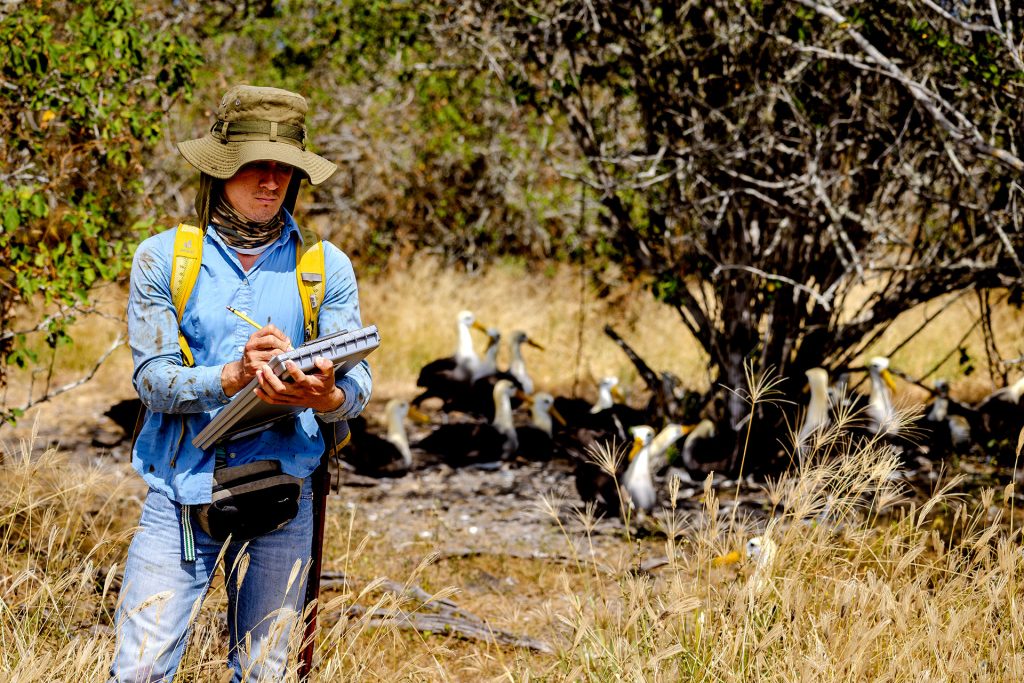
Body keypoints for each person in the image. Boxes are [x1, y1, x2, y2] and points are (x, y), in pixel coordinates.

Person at [110, 85, 372, 682]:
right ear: (222, 169)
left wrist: (323, 394)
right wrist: (232, 377)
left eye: (284, 169)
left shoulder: (324, 268)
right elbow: (151, 381)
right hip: (180, 495)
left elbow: (356, 388)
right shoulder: (164, 259)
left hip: (286, 493)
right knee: (140, 669)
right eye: (256, 166)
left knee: (267, 672)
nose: (271, 182)